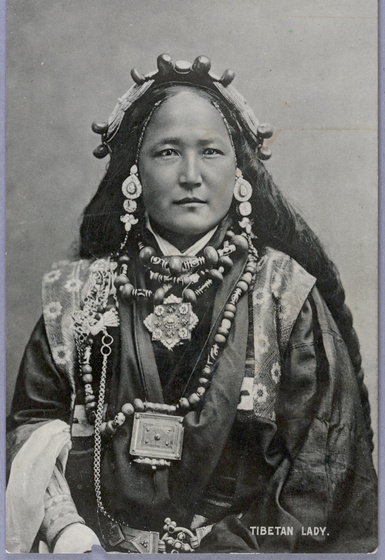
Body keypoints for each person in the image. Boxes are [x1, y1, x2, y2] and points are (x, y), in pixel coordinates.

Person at [6, 54, 377, 554]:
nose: (190, 175)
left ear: (239, 172)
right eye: (166, 153)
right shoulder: (76, 296)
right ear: (132, 174)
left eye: (210, 152)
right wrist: (67, 531)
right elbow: (34, 424)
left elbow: (325, 463)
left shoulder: (285, 296)